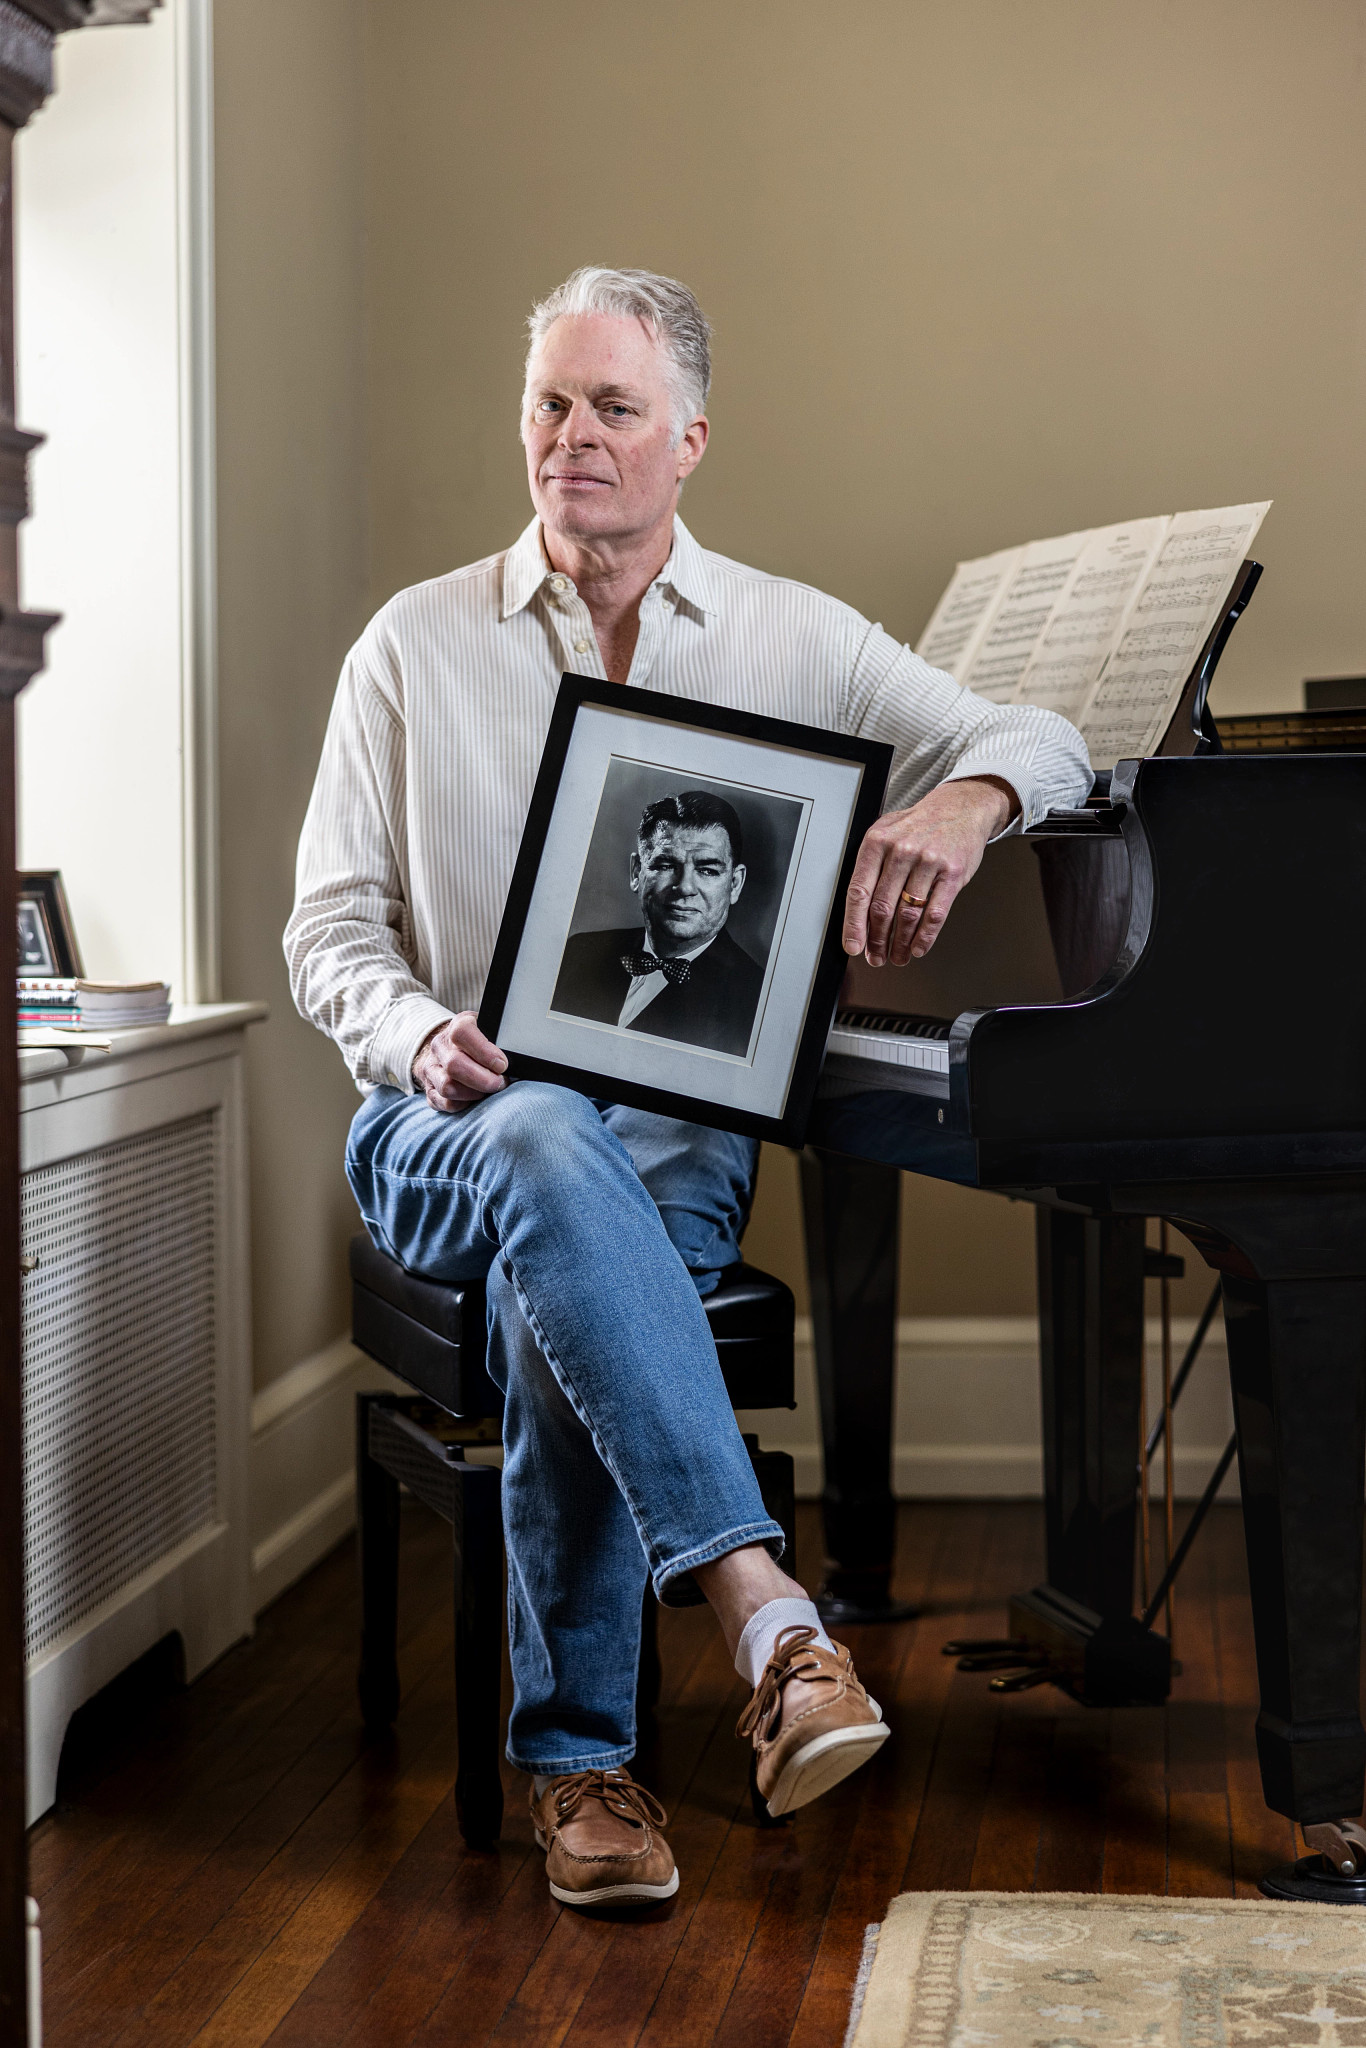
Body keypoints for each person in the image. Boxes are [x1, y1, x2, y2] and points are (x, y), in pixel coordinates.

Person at [286, 266, 1091, 1910]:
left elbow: (1049, 735)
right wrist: (409, 1029)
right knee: (531, 1135)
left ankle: (583, 1765)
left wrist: (970, 799)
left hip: (662, 1140)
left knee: (561, 1260)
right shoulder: (412, 644)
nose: (569, 436)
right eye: (548, 404)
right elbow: (327, 926)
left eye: (612, 407)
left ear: (691, 438)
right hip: (441, 1118)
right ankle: (765, 1617)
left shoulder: (797, 636)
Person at [552, 789, 765, 1056]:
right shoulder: (578, 952)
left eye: (707, 870)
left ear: (734, 884)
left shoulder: (757, 999)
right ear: (636, 872)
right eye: (665, 865)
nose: (685, 887)